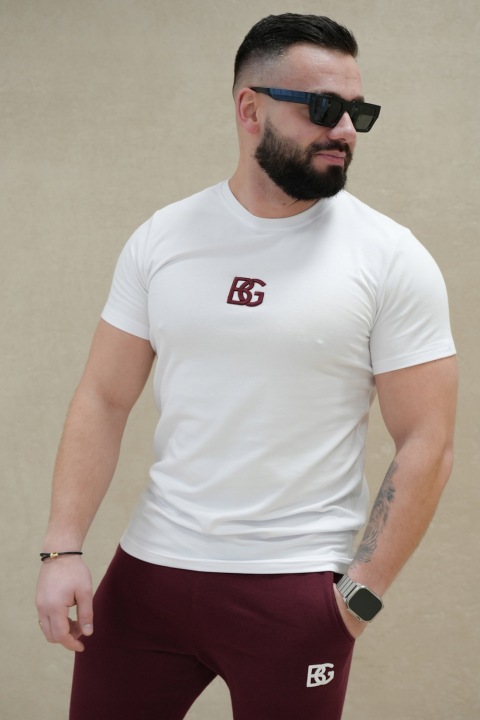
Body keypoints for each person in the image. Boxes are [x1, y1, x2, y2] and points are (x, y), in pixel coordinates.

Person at [35, 12, 457, 720]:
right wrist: (62, 550)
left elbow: (428, 442)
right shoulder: (162, 238)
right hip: (149, 574)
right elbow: (104, 397)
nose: (345, 130)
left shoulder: (391, 258)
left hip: (293, 591)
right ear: (250, 108)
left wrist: (359, 597)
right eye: (323, 107)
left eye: (357, 112)